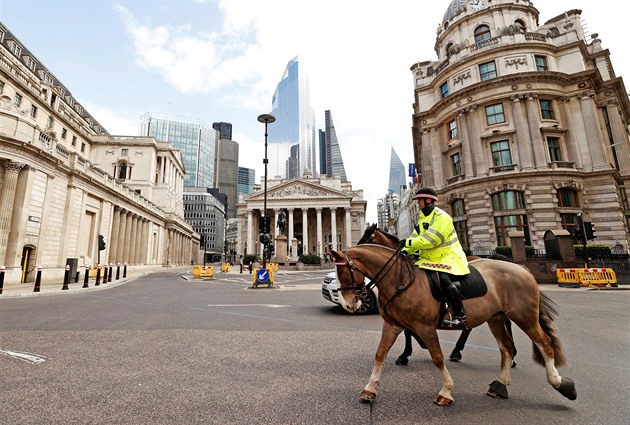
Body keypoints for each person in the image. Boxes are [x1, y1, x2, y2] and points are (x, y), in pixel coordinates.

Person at [402, 187, 469, 329]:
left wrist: (407, 242)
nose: (418, 203)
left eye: (420, 200)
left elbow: (430, 240)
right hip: (429, 259)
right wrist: (404, 250)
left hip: (448, 257)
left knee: (444, 279)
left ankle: (460, 315)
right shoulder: (422, 219)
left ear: (428, 200)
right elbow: (415, 238)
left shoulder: (442, 217)